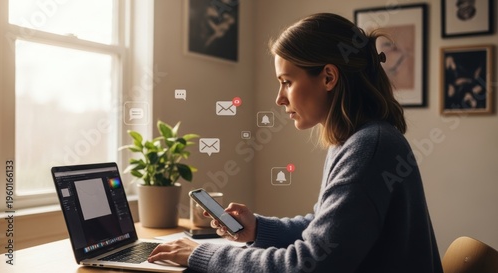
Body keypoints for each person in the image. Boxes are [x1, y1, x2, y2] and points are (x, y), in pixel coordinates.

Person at [148, 13, 443, 273]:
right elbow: (323, 229)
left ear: (328, 77)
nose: (279, 98)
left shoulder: (369, 148)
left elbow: (307, 264)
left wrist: (203, 255)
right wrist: (259, 229)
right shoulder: (357, 140)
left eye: (287, 82)